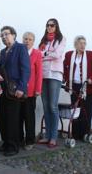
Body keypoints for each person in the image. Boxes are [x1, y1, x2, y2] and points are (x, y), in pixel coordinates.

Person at [0, 26, 30, 157]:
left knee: (13, 118)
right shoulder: (3, 51)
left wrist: (22, 88)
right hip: (3, 89)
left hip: (15, 88)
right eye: (2, 35)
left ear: (14, 35)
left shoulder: (21, 48)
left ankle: (13, 145)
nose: (4, 37)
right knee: (3, 117)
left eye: (6, 34)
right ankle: (6, 142)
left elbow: (26, 69)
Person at [63, 36, 92, 140]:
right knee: (75, 110)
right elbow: (65, 68)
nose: (83, 45)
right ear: (76, 44)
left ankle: (85, 133)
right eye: (80, 43)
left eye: (84, 43)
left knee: (86, 110)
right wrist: (65, 80)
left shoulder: (91, 54)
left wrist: (91, 79)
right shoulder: (69, 54)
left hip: (86, 87)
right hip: (74, 86)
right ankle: (75, 133)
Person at [37, 18, 66, 148]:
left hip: (55, 74)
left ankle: (53, 137)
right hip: (43, 74)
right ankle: (47, 135)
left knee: (53, 106)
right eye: (48, 25)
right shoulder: (43, 40)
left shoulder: (61, 39)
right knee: (45, 105)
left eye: (52, 25)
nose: (49, 27)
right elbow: (38, 55)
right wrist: (47, 53)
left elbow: (57, 55)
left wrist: (45, 54)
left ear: (56, 26)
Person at [19, 32, 42, 150]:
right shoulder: (19, 52)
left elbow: (39, 73)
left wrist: (38, 89)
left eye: (30, 39)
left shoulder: (37, 54)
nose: (27, 41)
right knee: (19, 116)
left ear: (33, 42)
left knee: (29, 117)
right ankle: (19, 139)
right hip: (18, 90)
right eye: (25, 39)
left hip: (31, 91)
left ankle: (29, 141)